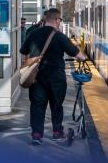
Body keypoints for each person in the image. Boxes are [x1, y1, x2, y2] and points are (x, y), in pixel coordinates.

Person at [20, 8, 86, 145]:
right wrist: (83, 58)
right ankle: (57, 132)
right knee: (56, 105)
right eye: (60, 20)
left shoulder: (33, 33)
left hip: (36, 78)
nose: (60, 23)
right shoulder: (60, 36)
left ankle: (37, 135)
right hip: (56, 79)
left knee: (37, 106)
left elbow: (24, 52)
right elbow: (78, 55)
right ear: (56, 20)